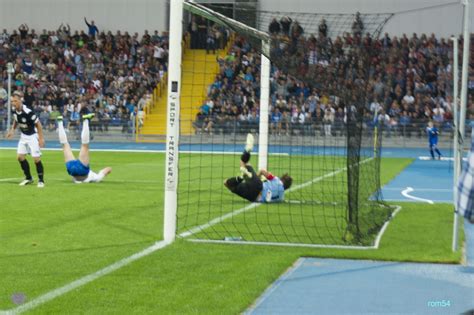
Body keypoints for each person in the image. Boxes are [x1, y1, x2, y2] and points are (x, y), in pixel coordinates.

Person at [224, 134, 293, 203]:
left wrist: (255, 177)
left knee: (245, 162)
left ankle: (247, 152)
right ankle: (241, 177)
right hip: (254, 197)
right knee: (227, 183)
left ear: (282, 178)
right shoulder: (281, 198)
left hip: (258, 185)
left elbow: (262, 171)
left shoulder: (276, 180)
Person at [57, 113, 112, 183]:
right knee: (65, 145)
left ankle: (86, 120)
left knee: (85, 145)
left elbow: (108, 169)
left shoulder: (96, 178)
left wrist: (106, 171)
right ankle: (60, 122)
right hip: (72, 170)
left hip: (82, 170)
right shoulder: (96, 178)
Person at [6, 92, 45, 187]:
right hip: (23, 136)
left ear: (20, 101)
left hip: (32, 136)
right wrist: (12, 130)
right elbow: (16, 120)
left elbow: (38, 125)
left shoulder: (28, 112)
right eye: (12, 101)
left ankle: (41, 181)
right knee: (20, 157)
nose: (13, 103)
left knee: (36, 159)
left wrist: (41, 138)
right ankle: (28, 178)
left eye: (15, 101)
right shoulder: (14, 110)